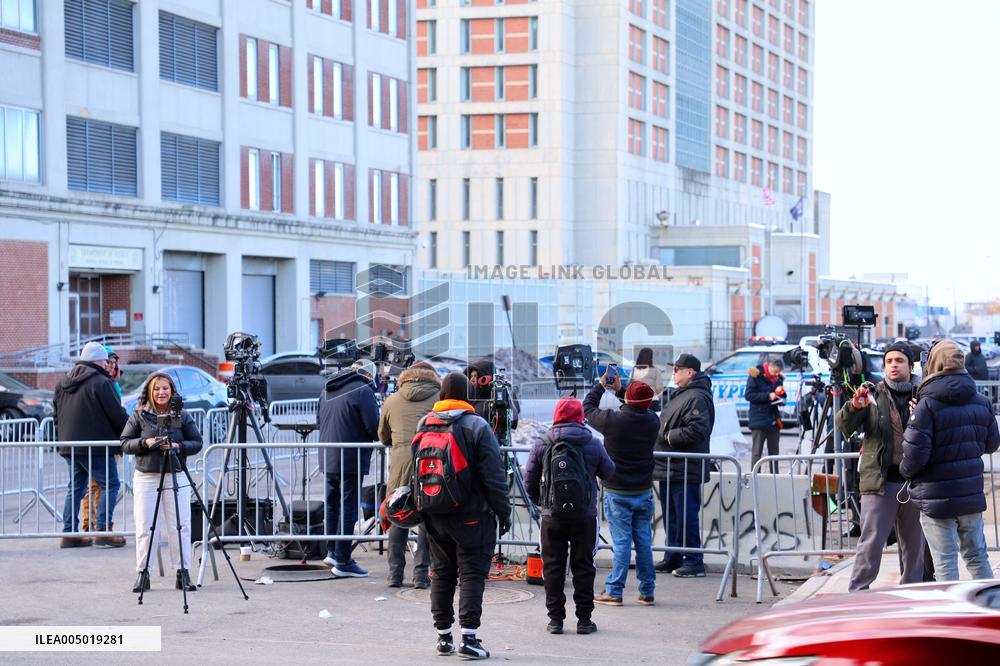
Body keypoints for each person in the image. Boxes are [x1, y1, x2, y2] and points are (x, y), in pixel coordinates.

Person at [418, 372, 510, 659]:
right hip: (471, 515)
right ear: (468, 394)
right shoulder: (477, 426)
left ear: (442, 395)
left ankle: (443, 638)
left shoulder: (425, 423)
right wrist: (504, 511)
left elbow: (414, 468)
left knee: (442, 574)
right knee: (471, 574)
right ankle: (469, 638)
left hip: (434, 512)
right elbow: (493, 476)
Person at [901, 339, 1000, 581]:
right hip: (970, 495)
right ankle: (990, 610)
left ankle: (951, 616)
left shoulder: (927, 405)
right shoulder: (981, 402)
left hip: (936, 499)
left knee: (944, 561)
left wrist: (906, 472)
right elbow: (992, 444)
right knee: (977, 557)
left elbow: (914, 456)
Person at [836, 343, 925, 592]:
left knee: (914, 546)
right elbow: (845, 427)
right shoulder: (872, 392)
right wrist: (854, 407)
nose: (894, 365)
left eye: (899, 360)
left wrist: (921, 415)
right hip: (879, 482)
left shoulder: (922, 394)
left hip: (913, 483)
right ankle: (858, 593)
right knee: (871, 542)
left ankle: (912, 593)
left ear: (910, 365)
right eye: (889, 361)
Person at [524, 398, 614, 635]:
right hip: (584, 516)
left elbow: (529, 483)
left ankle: (555, 620)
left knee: (553, 566)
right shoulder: (592, 443)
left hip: (552, 517)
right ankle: (584, 620)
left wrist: (544, 504)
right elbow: (609, 471)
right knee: (583, 566)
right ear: (580, 417)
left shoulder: (541, 443)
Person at [120, 372, 203, 593]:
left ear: (172, 391)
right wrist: (145, 442)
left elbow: (197, 442)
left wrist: (178, 447)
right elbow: (125, 443)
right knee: (145, 526)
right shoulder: (139, 415)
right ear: (149, 391)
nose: (161, 392)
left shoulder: (181, 415)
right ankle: (143, 572)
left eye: (165, 388)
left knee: (181, 525)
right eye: (156, 388)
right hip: (147, 476)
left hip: (176, 474)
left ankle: (182, 571)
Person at [583, 371, 660, 607]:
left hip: (617, 491)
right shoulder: (653, 421)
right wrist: (620, 390)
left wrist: (600, 386)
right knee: (644, 541)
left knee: (622, 542)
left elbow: (587, 408)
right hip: (643, 491)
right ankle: (647, 590)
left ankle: (615, 590)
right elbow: (639, 406)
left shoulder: (613, 421)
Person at [54, 341, 129, 548]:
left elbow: (56, 415)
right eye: (105, 361)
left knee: (75, 488)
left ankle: (69, 533)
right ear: (97, 360)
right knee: (110, 484)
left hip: (70, 445)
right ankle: (103, 530)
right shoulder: (102, 382)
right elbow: (116, 414)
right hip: (97, 446)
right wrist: (132, 431)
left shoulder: (63, 382)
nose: (108, 365)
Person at [377, 361, 439, 589]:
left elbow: (383, 436)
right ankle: (421, 576)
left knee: (397, 516)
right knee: (427, 518)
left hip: (400, 465)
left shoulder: (391, 400)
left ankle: (394, 575)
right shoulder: (439, 398)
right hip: (430, 465)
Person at [653, 353, 715, 578]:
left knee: (686, 516)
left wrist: (668, 437)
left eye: (677, 369)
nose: (673, 372)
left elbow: (698, 430)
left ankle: (693, 560)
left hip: (685, 467)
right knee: (672, 516)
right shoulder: (682, 394)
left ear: (690, 373)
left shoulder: (697, 396)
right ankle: (673, 556)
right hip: (671, 467)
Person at [317, 359, 380, 578]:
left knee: (332, 505)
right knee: (348, 508)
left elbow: (319, 420)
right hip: (350, 458)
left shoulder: (328, 388)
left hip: (328, 455)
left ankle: (332, 552)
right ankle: (343, 560)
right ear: (369, 376)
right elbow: (374, 427)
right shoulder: (363, 390)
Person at [80, 345, 123, 534]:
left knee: (99, 486)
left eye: (114, 363)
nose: (112, 366)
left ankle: (97, 523)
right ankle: (94, 524)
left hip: (111, 442)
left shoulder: (112, 384)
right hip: (100, 443)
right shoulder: (99, 383)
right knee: (98, 485)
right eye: (109, 362)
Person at [745, 358, 785, 472]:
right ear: (769, 367)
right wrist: (768, 396)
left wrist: (782, 399)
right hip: (759, 419)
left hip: (773, 420)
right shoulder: (755, 375)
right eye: (774, 372)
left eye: (778, 372)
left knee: (774, 453)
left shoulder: (778, 379)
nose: (776, 374)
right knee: (757, 452)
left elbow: (782, 393)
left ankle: (774, 477)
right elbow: (749, 395)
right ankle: (755, 476)